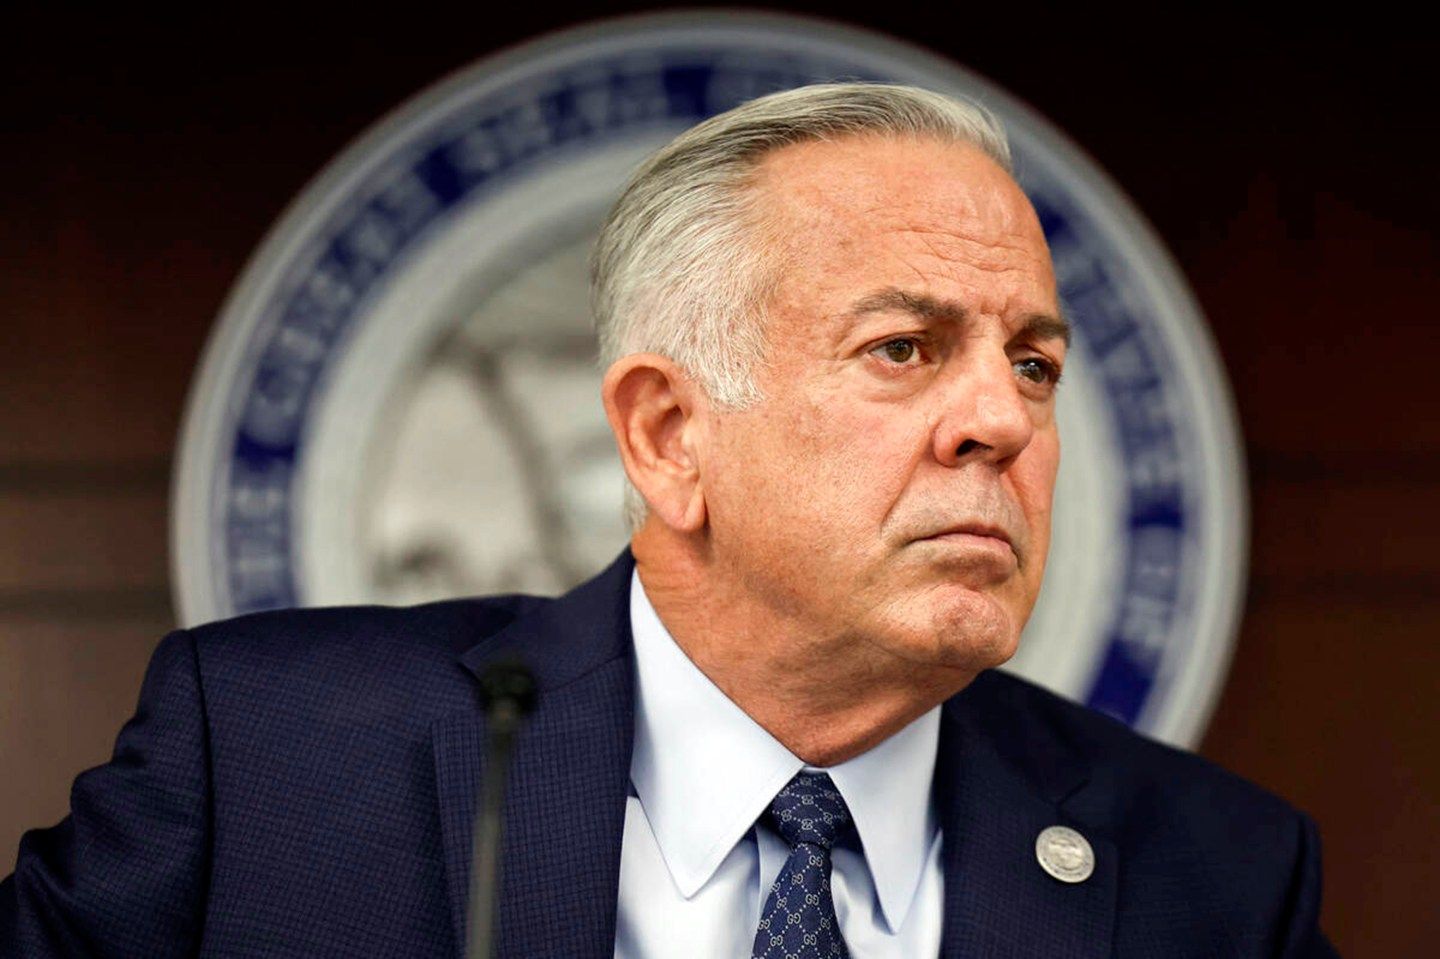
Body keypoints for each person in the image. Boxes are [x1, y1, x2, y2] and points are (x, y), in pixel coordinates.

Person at [1, 84, 1336, 958]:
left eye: (1034, 365)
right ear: (666, 433)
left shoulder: (1221, 877)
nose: (1004, 420)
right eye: (903, 348)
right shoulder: (271, 759)